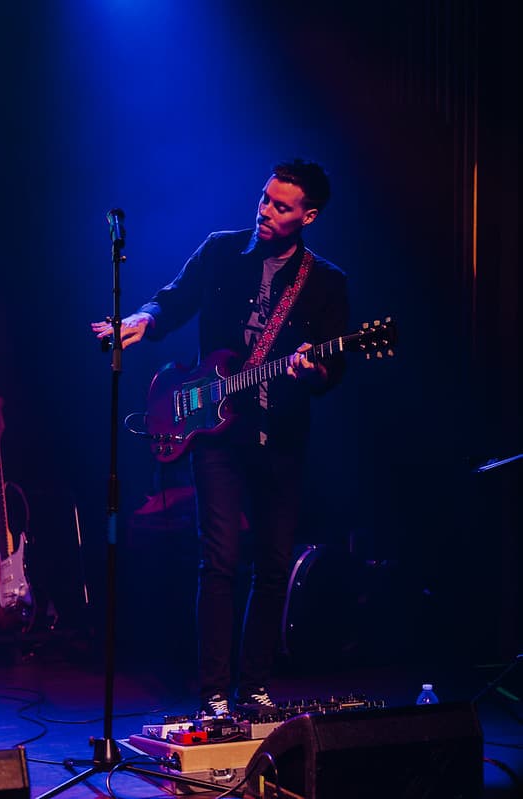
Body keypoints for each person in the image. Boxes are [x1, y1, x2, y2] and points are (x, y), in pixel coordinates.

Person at [92, 158, 349, 718]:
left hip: (279, 437)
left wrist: (314, 371)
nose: (265, 211)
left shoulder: (326, 282)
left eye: (281, 207)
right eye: (264, 198)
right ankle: (212, 695)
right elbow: (173, 298)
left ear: (308, 215)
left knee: (274, 565)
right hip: (215, 434)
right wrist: (138, 321)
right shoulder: (219, 251)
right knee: (220, 561)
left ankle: (254, 689)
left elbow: (334, 365)